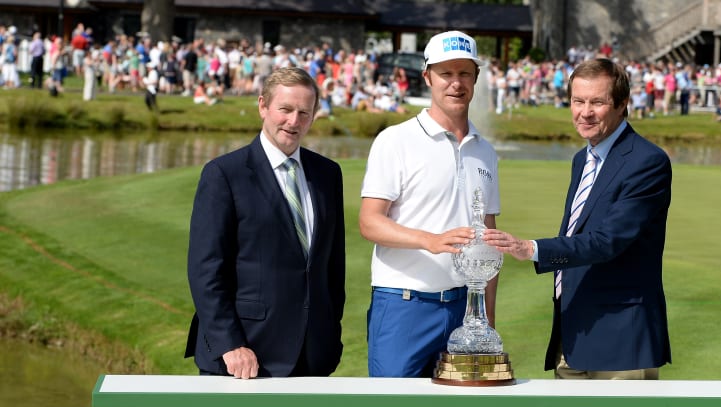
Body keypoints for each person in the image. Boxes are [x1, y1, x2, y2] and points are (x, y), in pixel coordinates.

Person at [483, 58, 672, 380]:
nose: (585, 112)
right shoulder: (581, 159)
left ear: (622, 104)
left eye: (597, 102)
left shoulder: (647, 161)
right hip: (572, 334)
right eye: (577, 101)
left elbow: (608, 241)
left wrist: (532, 249)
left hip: (621, 340)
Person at [185, 67, 346, 379]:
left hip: (313, 355)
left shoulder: (328, 174)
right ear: (263, 106)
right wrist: (230, 344)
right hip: (243, 356)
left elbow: (332, 266)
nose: (294, 121)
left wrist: (330, 331)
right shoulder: (223, 174)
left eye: (304, 112)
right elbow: (206, 270)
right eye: (285, 109)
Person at [358, 30, 499, 378]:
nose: (456, 83)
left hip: (464, 308)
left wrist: (487, 319)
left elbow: (488, 239)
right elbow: (370, 222)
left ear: (475, 78)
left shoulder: (484, 150)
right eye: (445, 73)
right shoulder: (395, 140)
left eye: (464, 73)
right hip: (404, 304)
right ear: (427, 77)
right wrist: (430, 240)